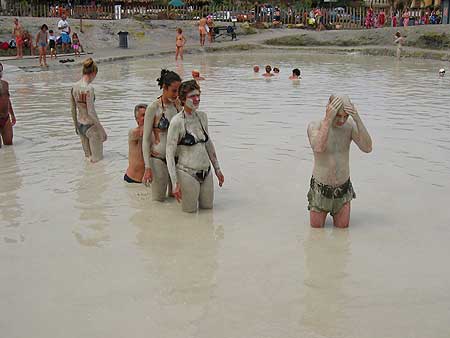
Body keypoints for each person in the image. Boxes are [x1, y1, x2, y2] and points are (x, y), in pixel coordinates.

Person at [307, 95, 372, 228]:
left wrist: (357, 118)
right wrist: (328, 120)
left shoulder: (349, 126)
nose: (342, 120)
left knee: (343, 232)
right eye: (338, 115)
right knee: (316, 233)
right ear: (329, 109)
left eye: (345, 116)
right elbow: (318, 148)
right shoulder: (315, 126)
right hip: (320, 189)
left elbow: (367, 148)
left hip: (343, 189)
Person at [166, 80, 224, 213]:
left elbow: (208, 143)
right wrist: (175, 183)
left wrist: (217, 169)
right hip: (187, 173)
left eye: (198, 95)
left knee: (209, 211)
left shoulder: (202, 117)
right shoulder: (176, 122)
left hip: (206, 171)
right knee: (189, 214)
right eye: (192, 96)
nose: (197, 99)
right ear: (182, 99)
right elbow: (169, 154)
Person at [142, 70, 182, 201]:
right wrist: (147, 167)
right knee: (158, 201)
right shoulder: (153, 108)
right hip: (159, 158)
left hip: (177, 159)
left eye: (179, 91)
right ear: (164, 87)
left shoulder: (179, 106)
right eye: (174, 91)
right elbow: (146, 140)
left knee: (176, 199)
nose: (177, 95)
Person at [70, 58, 107, 163]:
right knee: (98, 162)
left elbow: (72, 109)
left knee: (88, 160)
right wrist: (101, 130)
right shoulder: (89, 89)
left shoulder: (74, 87)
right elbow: (91, 112)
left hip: (80, 125)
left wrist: (75, 126)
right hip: (91, 127)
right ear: (93, 73)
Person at [124, 104, 147, 183]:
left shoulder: (153, 132)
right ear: (136, 119)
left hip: (146, 179)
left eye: (148, 115)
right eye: (143, 115)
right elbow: (141, 132)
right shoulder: (133, 133)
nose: (146, 118)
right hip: (132, 180)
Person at [0, 63, 16, 148]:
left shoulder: (5, 84)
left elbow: (7, 100)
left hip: (5, 118)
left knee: (9, 146)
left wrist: (12, 115)